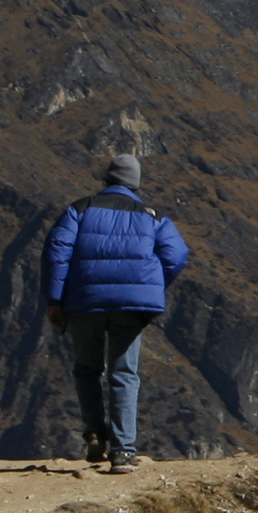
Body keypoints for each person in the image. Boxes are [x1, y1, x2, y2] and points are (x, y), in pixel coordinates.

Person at [42, 154, 188, 473]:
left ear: (106, 179)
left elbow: (57, 250)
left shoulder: (79, 210)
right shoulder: (151, 215)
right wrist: (149, 283)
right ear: (135, 183)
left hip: (86, 300)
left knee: (87, 368)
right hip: (131, 305)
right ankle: (123, 451)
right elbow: (176, 253)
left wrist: (55, 300)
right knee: (124, 372)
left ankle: (95, 433)